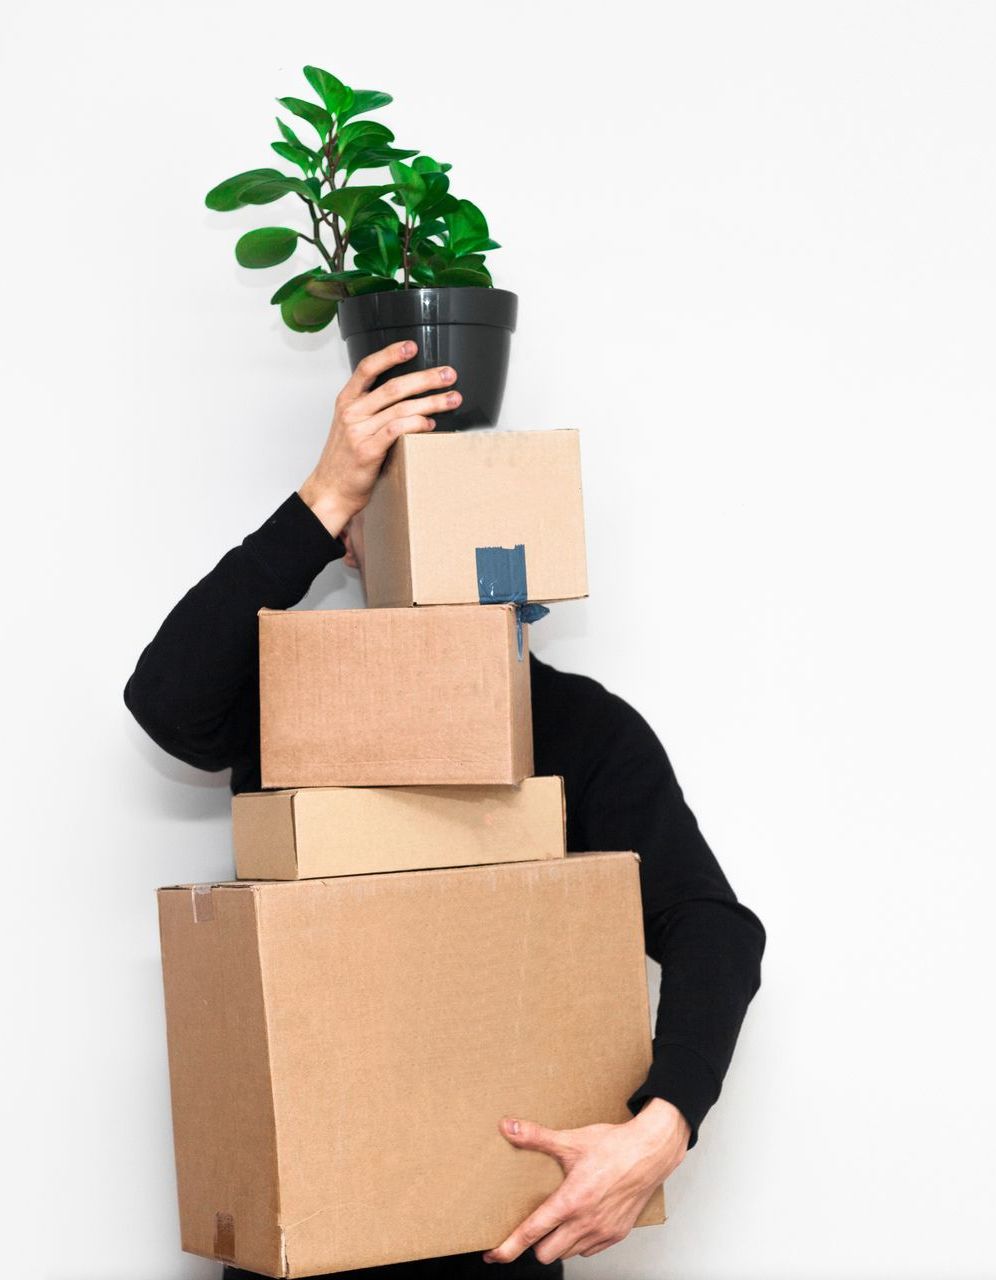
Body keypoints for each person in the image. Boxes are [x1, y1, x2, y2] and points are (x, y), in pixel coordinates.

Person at [124, 341, 766, 1278]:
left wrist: (661, 1131)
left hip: (493, 1242)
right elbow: (167, 701)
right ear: (357, 546)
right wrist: (325, 498)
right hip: (299, 1244)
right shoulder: (294, 708)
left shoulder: (581, 729)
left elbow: (713, 929)